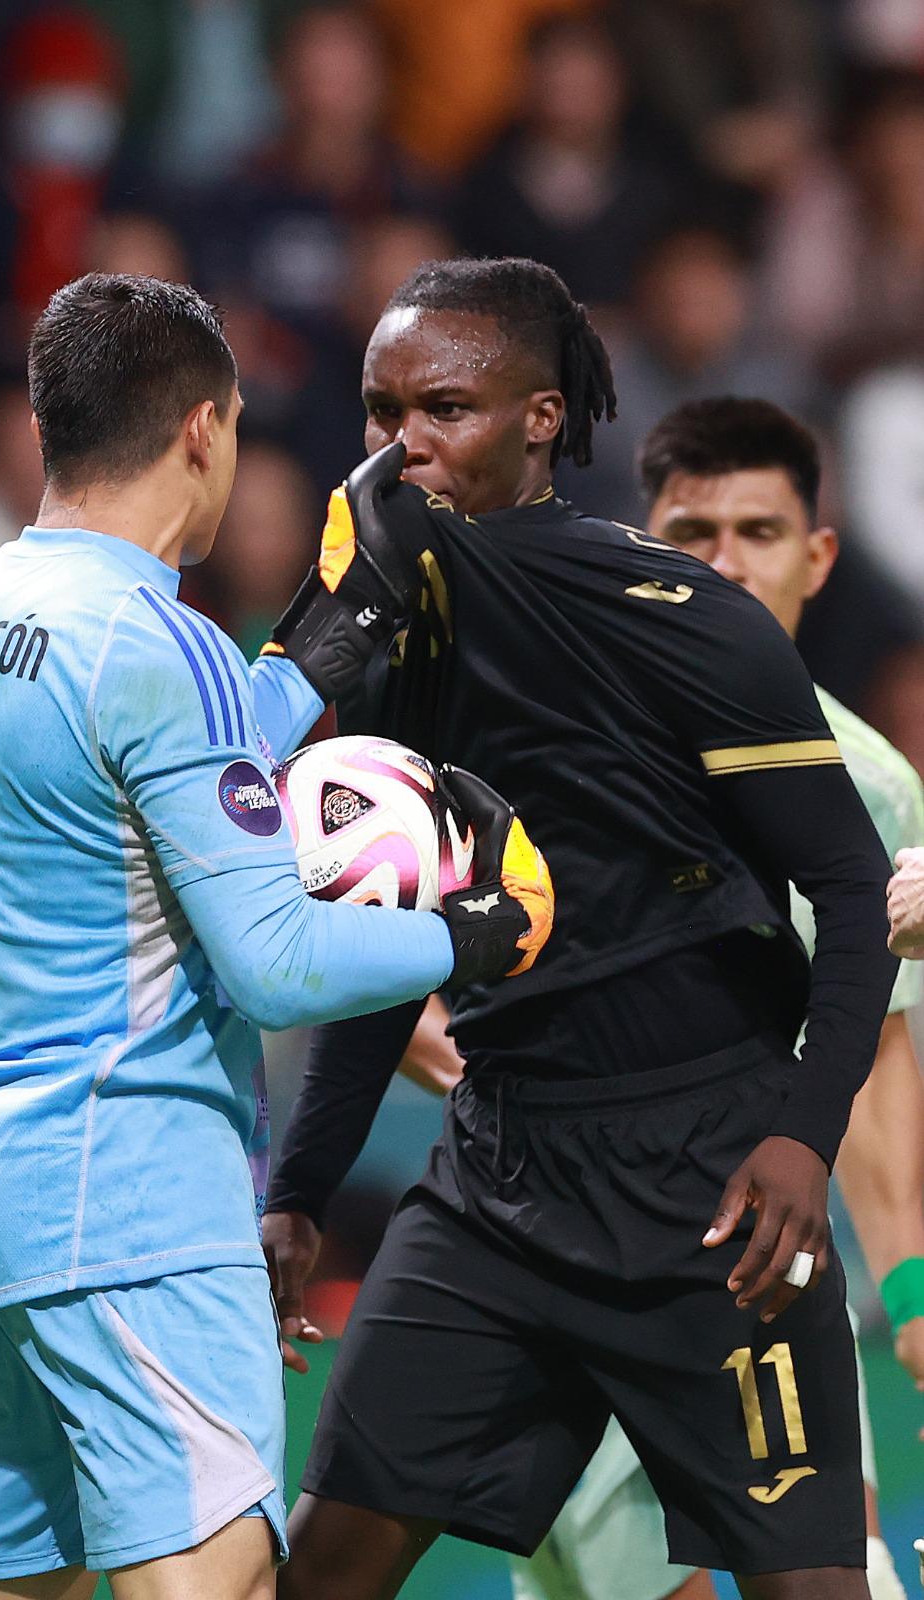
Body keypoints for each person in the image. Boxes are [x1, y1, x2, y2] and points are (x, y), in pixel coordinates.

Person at [0, 271, 552, 1600]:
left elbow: (125, 796)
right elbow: (274, 959)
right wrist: (478, 933)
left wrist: (304, 661)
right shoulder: (161, 640)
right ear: (204, 430)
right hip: (130, 1206)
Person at [260, 257, 897, 1600]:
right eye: (381, 413)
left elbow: (849, 891)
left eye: (443, 409)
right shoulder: (381, 642)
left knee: (812, 1590)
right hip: (496, 1185)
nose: (401, 448)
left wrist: (800, 1135)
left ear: (541, 418)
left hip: (711, 1191)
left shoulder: (684, 621)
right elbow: (400, 933)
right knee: (319, 1572)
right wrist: (298, 1193)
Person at [506, 396, 924, 1600]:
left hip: (752, 1310)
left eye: (757, 529)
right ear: (645, 543)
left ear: (818, 556)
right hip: (557, 1279)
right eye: (693, 531)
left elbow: (881, 1069)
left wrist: (905, 1288)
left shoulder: (875, 792)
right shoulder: (546, 746)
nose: (726, 562)